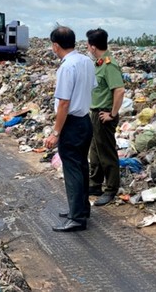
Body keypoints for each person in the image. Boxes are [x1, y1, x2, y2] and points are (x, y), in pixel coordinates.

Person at [44, 26, 96, 232]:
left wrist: (56, 132)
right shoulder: (86, 61)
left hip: (72, 124)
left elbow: (64, 103)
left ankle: (76, 218)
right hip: (85, 120)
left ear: (56, 45)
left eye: (52, 45)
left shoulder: (67, 67)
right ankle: (82, 208)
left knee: (72, 169)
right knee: (82, 166)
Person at [85, 28, 125, 206]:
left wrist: (113, 114)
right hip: (95, 113)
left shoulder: (109, 65)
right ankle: (95, 184)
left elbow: (119, 90)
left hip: (104, 114)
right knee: (95, 151)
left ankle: (111, 189)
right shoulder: (99, 63)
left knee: (106, 153)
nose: (87, 48)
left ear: (93, 47)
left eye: (88, 45)